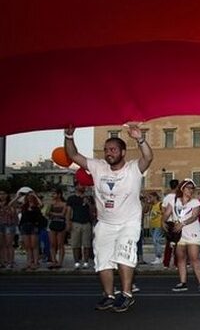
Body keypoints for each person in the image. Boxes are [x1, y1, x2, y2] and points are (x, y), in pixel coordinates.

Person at [64, 123, 153, 312]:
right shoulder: (98, 167)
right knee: (102, 260)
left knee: (124, 256)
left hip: (129, 222)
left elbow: (148, 157)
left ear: (122, 152)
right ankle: (109, 295)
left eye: (113, 149)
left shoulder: (133, 169)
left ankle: (127, 294)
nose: (108, 153)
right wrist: (69, 136)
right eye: (106, 150)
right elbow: (73, 155)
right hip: (105, 223)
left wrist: (140, 138)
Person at [163, 179, 200, 292]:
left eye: (192, 188)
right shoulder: (174, 201)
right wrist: (163, 222)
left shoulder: (195, 202)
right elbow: (166, 213)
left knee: (194, 258)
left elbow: (194, 216)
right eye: (188, 188)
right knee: (181, 258)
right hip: (179, 235)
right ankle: (183, 282)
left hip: (193, 233)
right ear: (182, 189)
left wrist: (182, 224)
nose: (191, 190)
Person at [67, 185, 94, 269]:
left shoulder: (89, 198)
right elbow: (69, 211)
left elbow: (93, 211)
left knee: (86, 244)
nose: (83, 187)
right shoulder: (72, 198)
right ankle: (77, 261)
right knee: (75, 244)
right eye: (80, 185)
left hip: (86, 223)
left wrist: (88, 203)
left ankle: (86, 261)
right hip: (76, 222)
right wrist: (68, 223)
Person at [19, 193, 45, 270]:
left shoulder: (36, 207)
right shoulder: (24, 206)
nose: (29, 198)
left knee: (34, 245)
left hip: (34, 226)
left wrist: (36, 196)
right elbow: (11, 204)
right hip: (25, 226)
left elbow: (41, 204)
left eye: (31, 196)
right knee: (27, 246)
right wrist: (18, 197)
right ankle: (29, 262)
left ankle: (36, 262)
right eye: (28, 196)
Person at [47, 188, 69, 269]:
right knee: (52, 243)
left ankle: (60, 261)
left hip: (61, 223)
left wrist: (53, 213)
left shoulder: (64, 204)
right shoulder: (51, 204)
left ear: (59, 194)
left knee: (60, 244)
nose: (53, 195)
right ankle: (53, 260)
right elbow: (47, 213)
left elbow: (63, 214)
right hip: (53, 223)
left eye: (54, 193)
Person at [162, 179, 180, 269]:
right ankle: (176, 263)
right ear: (177, 186)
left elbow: (163, 210)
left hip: (168, 222)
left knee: (168, 243)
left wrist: (163, 222)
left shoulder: (166, 198)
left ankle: (166, 263)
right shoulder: (179, 197)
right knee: (177, 243)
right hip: (177, 222)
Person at [0, 189, 18, 269]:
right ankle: (3, 261)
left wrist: (8, 208)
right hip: (1, 224)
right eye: (0, 194)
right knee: (2, 244)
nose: (2, 195)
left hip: (9, 224)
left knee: (9, 243)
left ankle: (11, 261)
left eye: (4, 194)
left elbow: (13, 214)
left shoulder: (11, 203)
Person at [147, 192, 163, 265]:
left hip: (159, 225)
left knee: (156, 240)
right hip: (152, 226)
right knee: (154, 241)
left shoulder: (160, 204)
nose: (149, 199)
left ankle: (158, 257)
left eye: (150, 197)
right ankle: (157, 257)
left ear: (155, 197)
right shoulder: (152, 206)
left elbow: (164, 213)